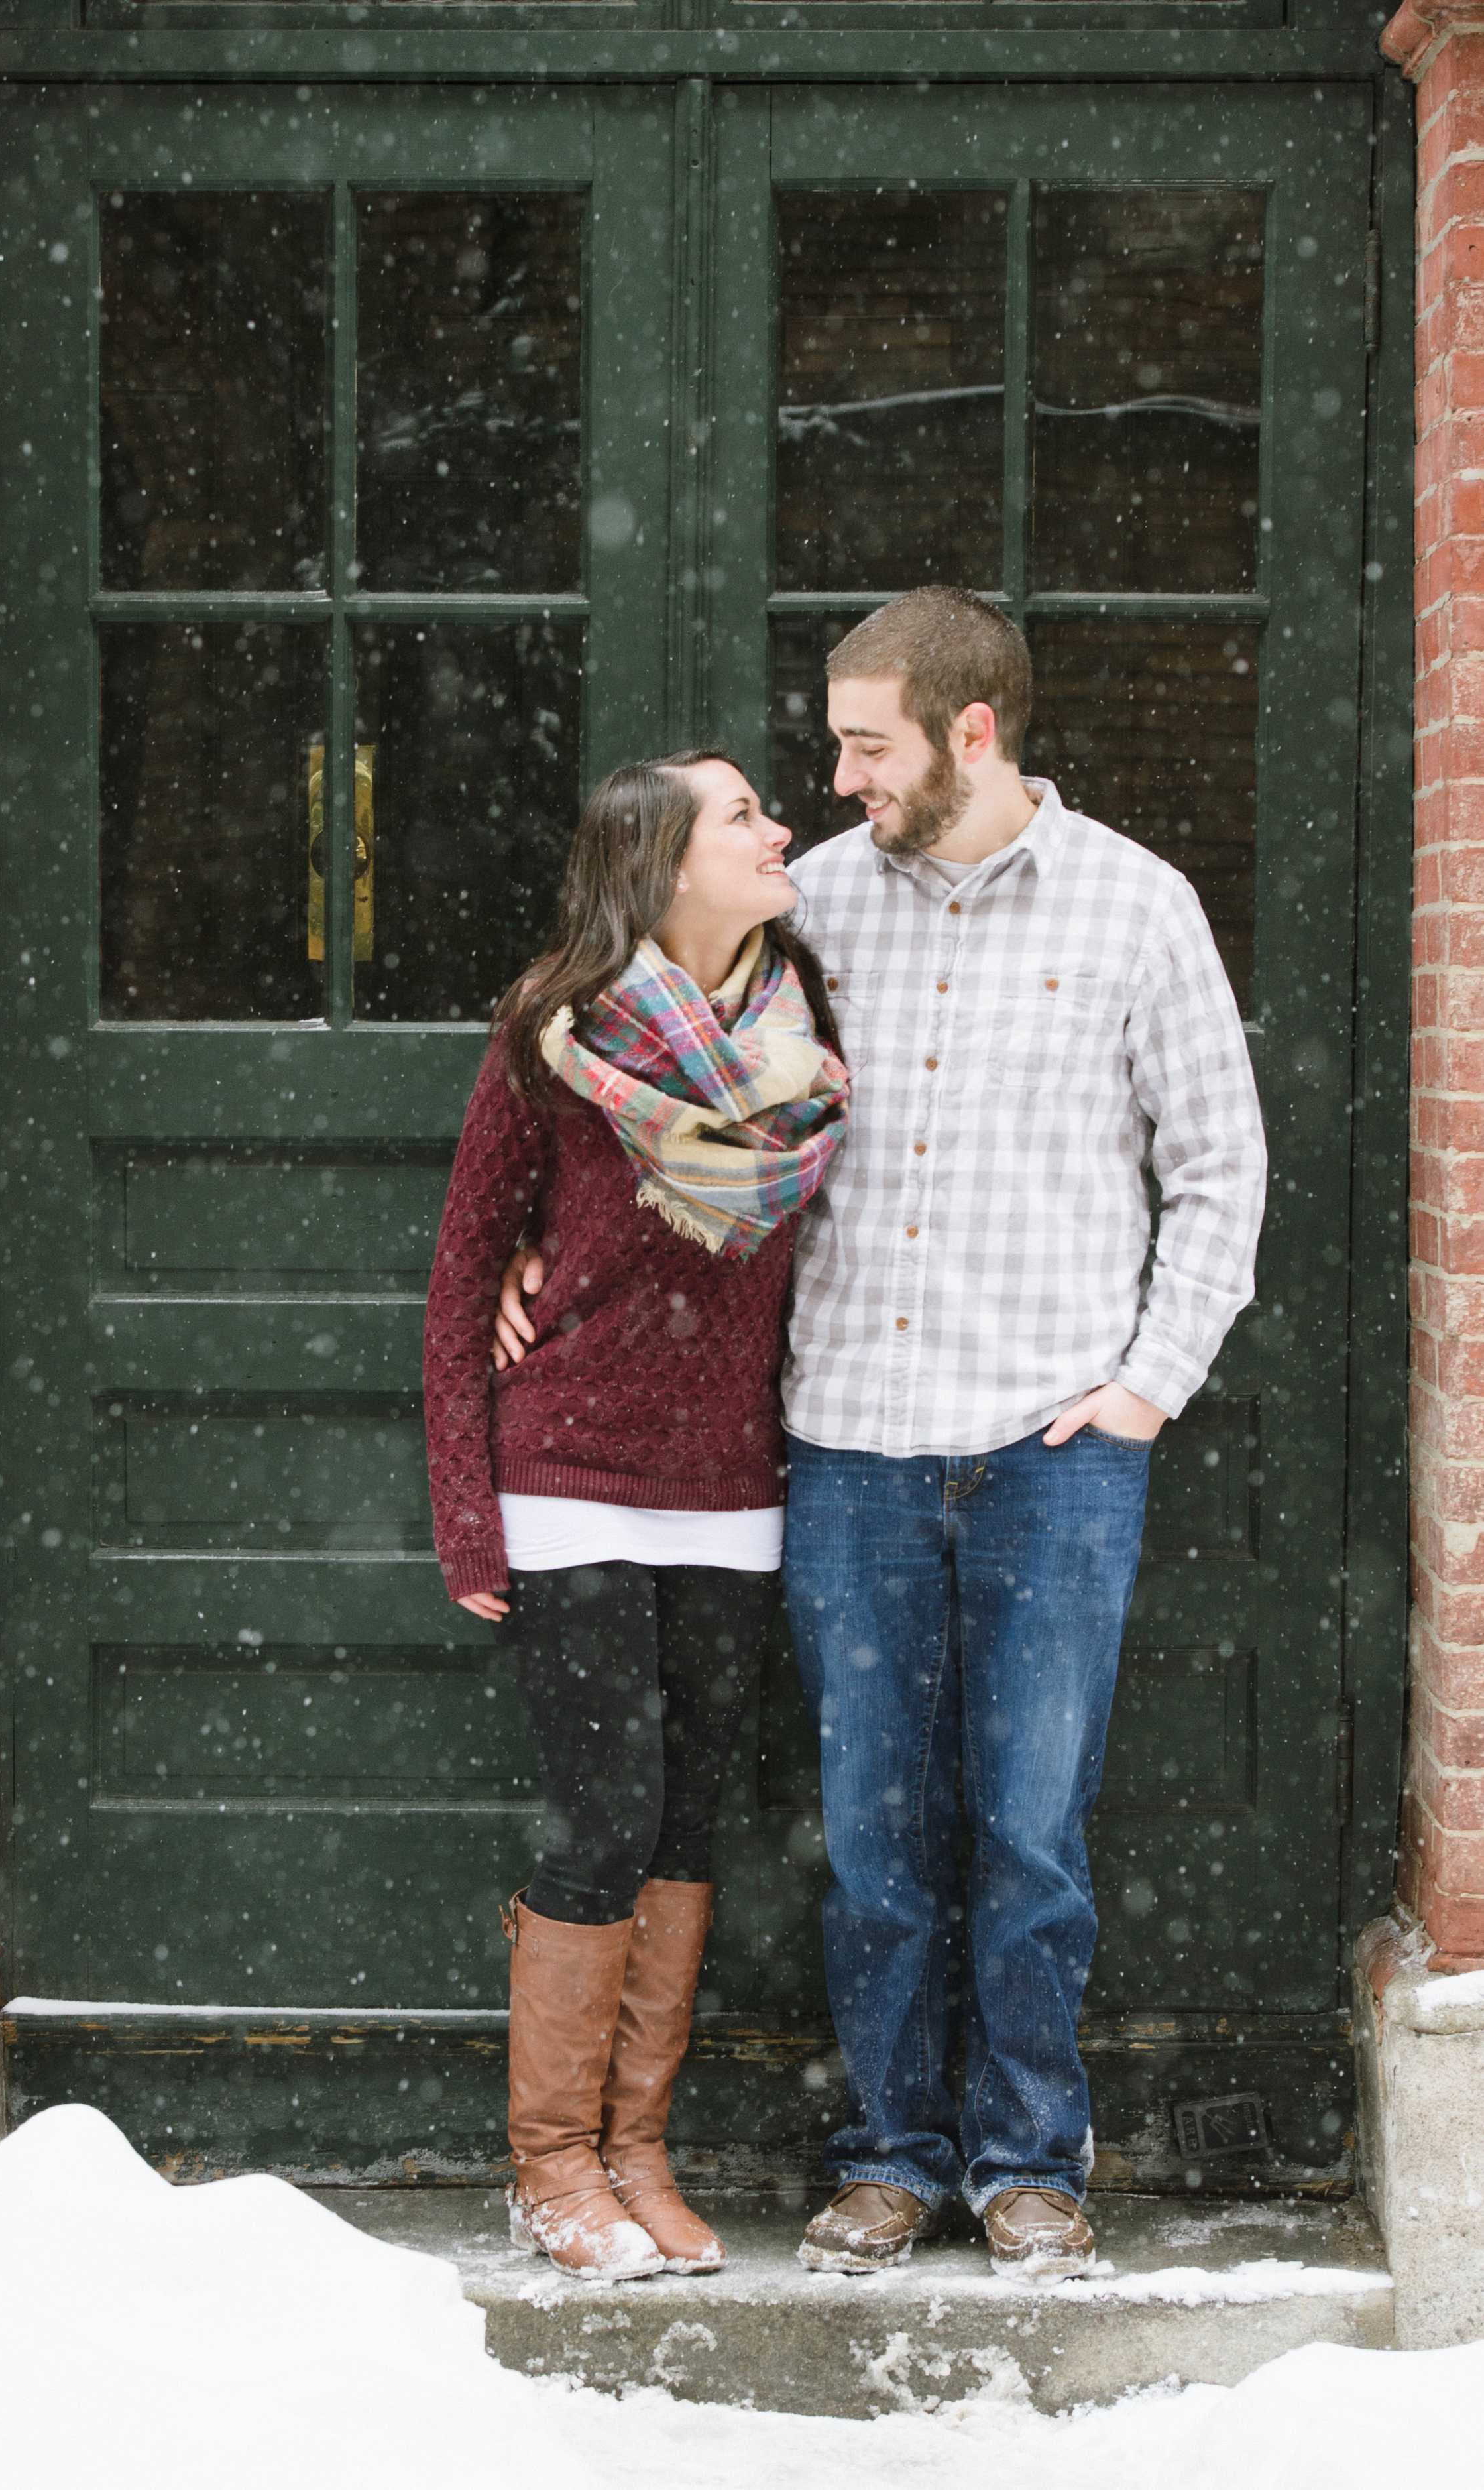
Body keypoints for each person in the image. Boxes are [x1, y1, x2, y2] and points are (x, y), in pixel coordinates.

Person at [494, 588, 1266, 2281]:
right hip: (840, 1448)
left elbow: (1218, 1168)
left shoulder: (1137, 910)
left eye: (864, 746)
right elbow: (666, 1090)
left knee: (1032, 1835)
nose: (833, 779)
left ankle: (1025, 2162)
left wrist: (1143, 1388)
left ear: (968, 737)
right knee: (871, 1839)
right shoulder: (808, 910)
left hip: (1053, 1452)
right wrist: (547, 1241)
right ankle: (887, 2158)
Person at [424, 748, 848, 2284]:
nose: (778, 827)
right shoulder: (554, 1035)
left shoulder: (806, 1029)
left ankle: (635, 2152)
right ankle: (550, 2168)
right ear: (664, 864)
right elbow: (467, 1278)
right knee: (601, 1818)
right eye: (743, 815)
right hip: (569, 1479)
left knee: (684, 1824)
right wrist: (467, 1520)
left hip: (733, 1489)